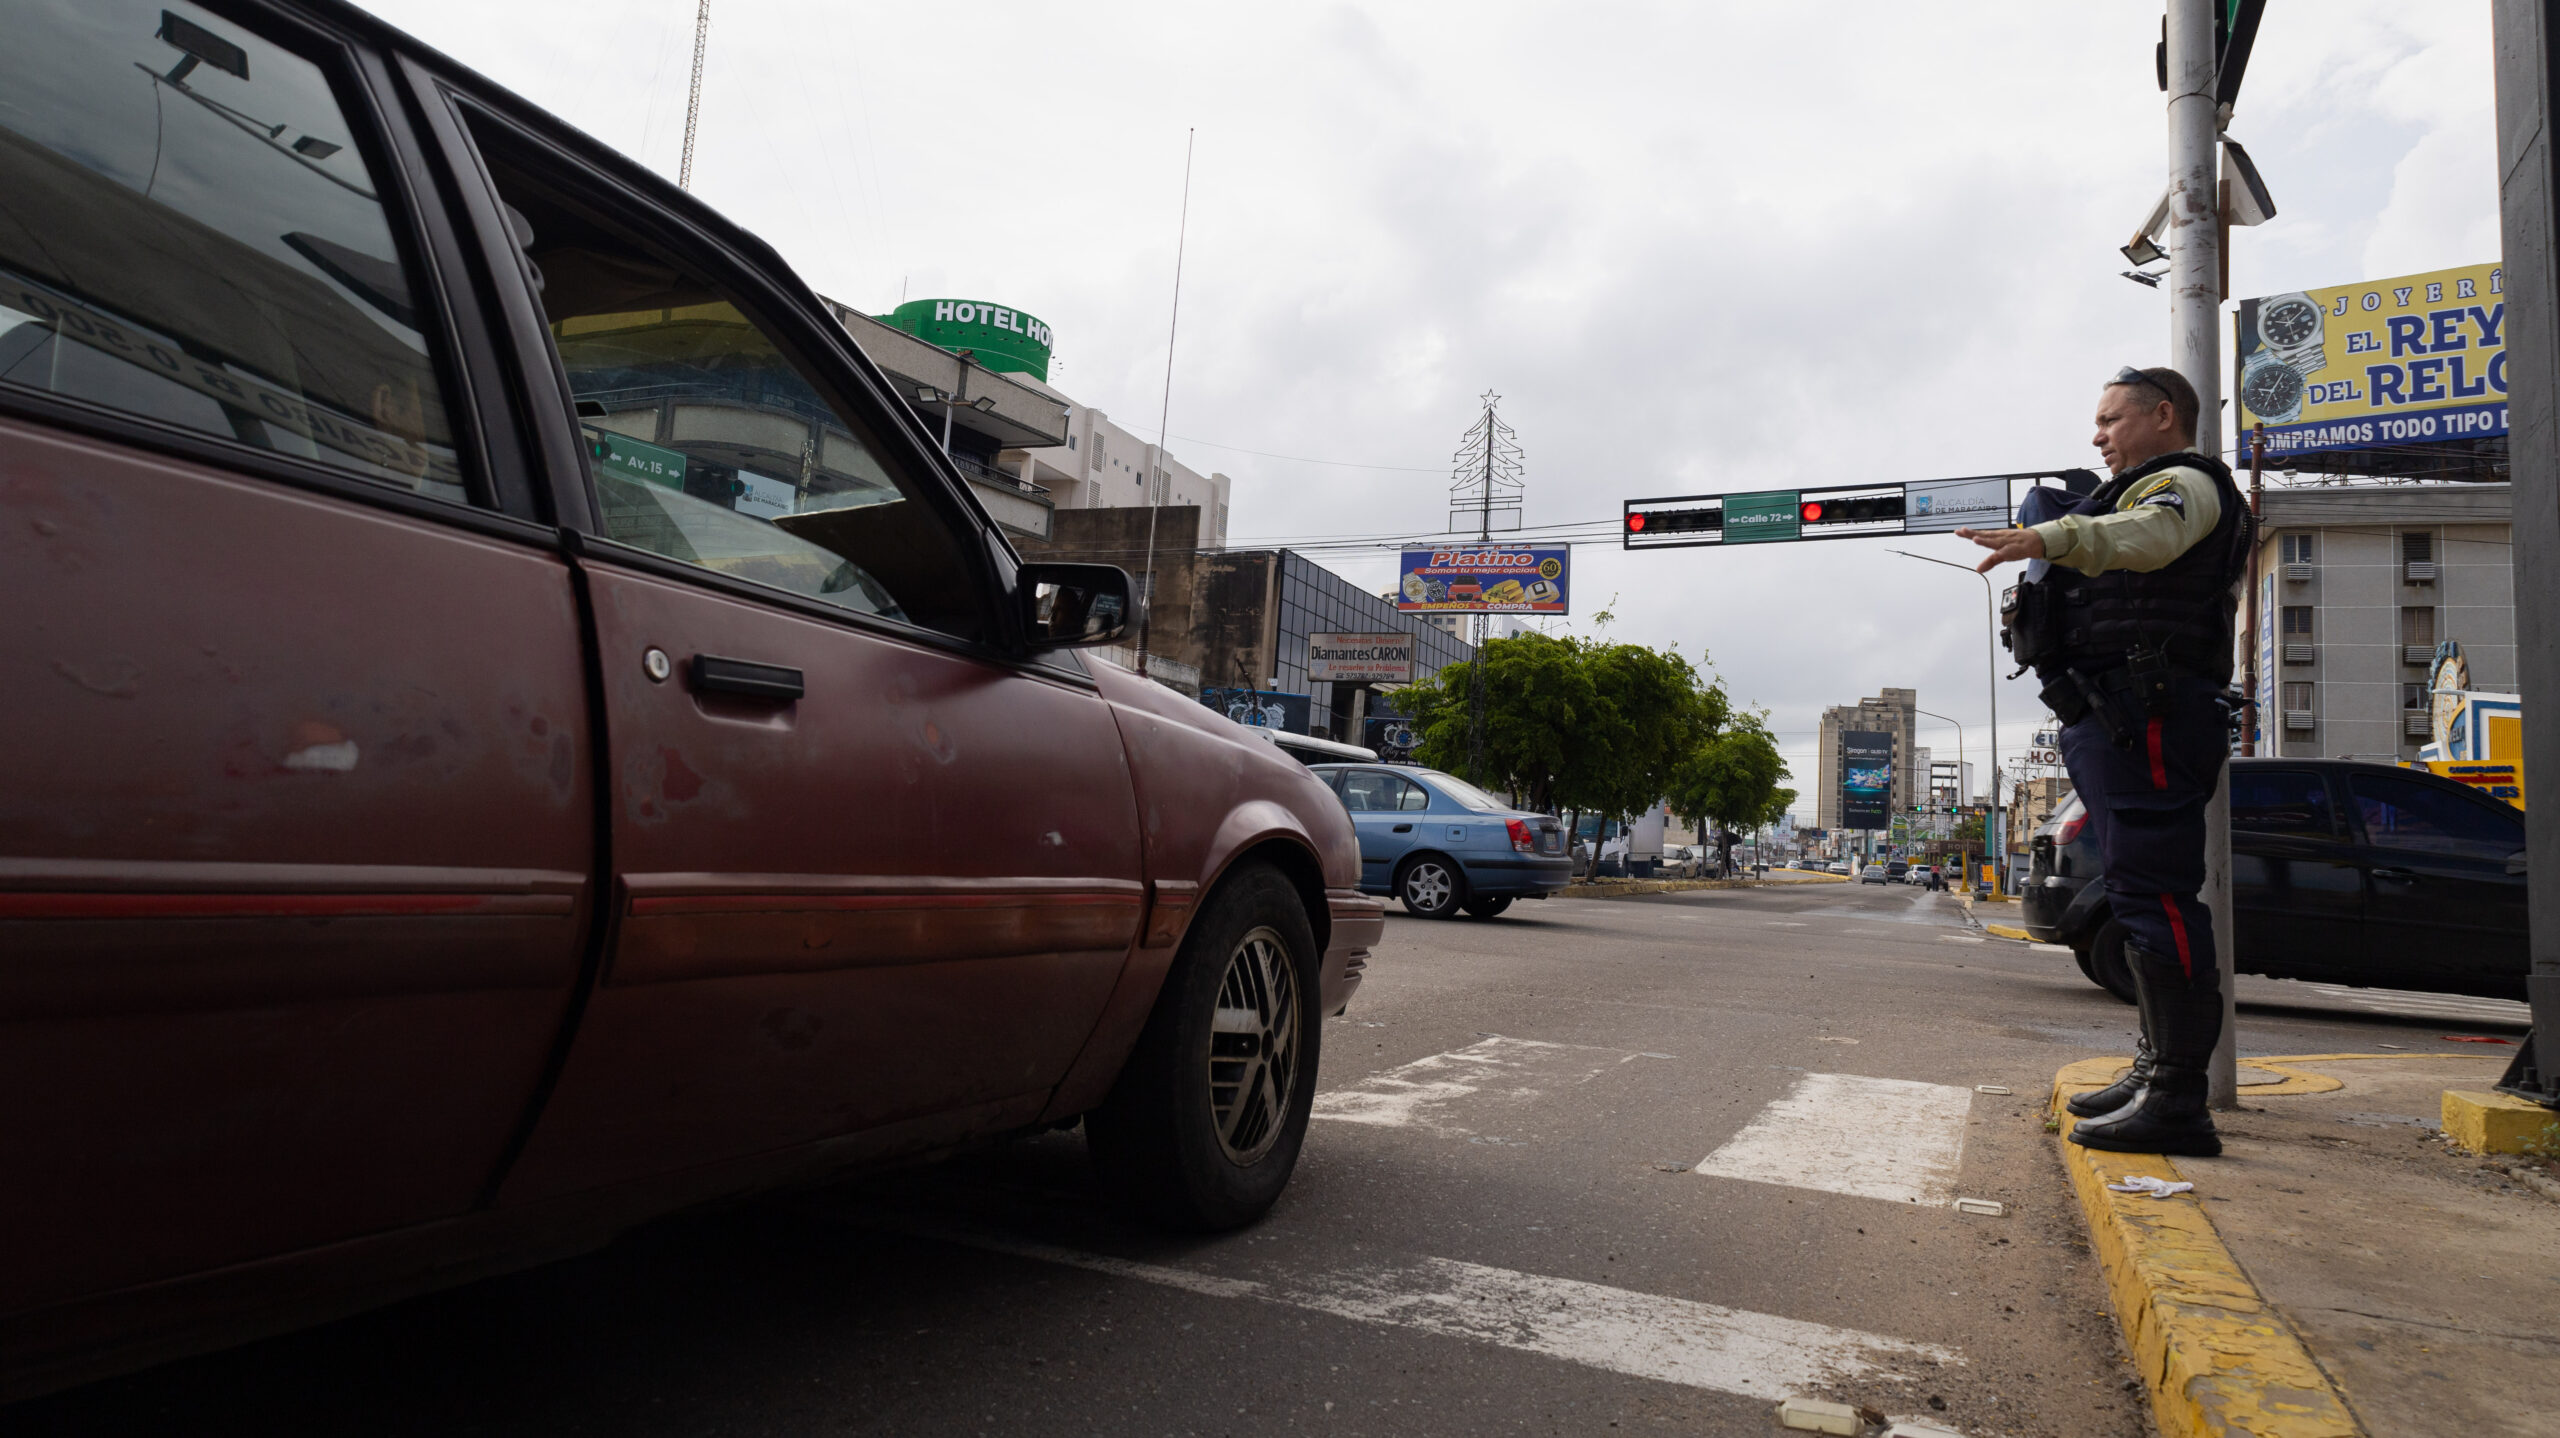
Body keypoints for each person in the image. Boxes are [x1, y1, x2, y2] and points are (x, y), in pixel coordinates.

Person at [1958, 366, 2248, 1158]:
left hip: (2149, 715)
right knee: (2135, 893)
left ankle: (2181, 1099)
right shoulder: (2133, 487)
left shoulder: (2186, 484)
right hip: (2114, 716)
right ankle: (2156, 1069)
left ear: (2163, 416)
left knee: (2157, 897)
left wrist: (2049, 537)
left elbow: (2147, 540)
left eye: (2111, 419)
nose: (2098, 436)